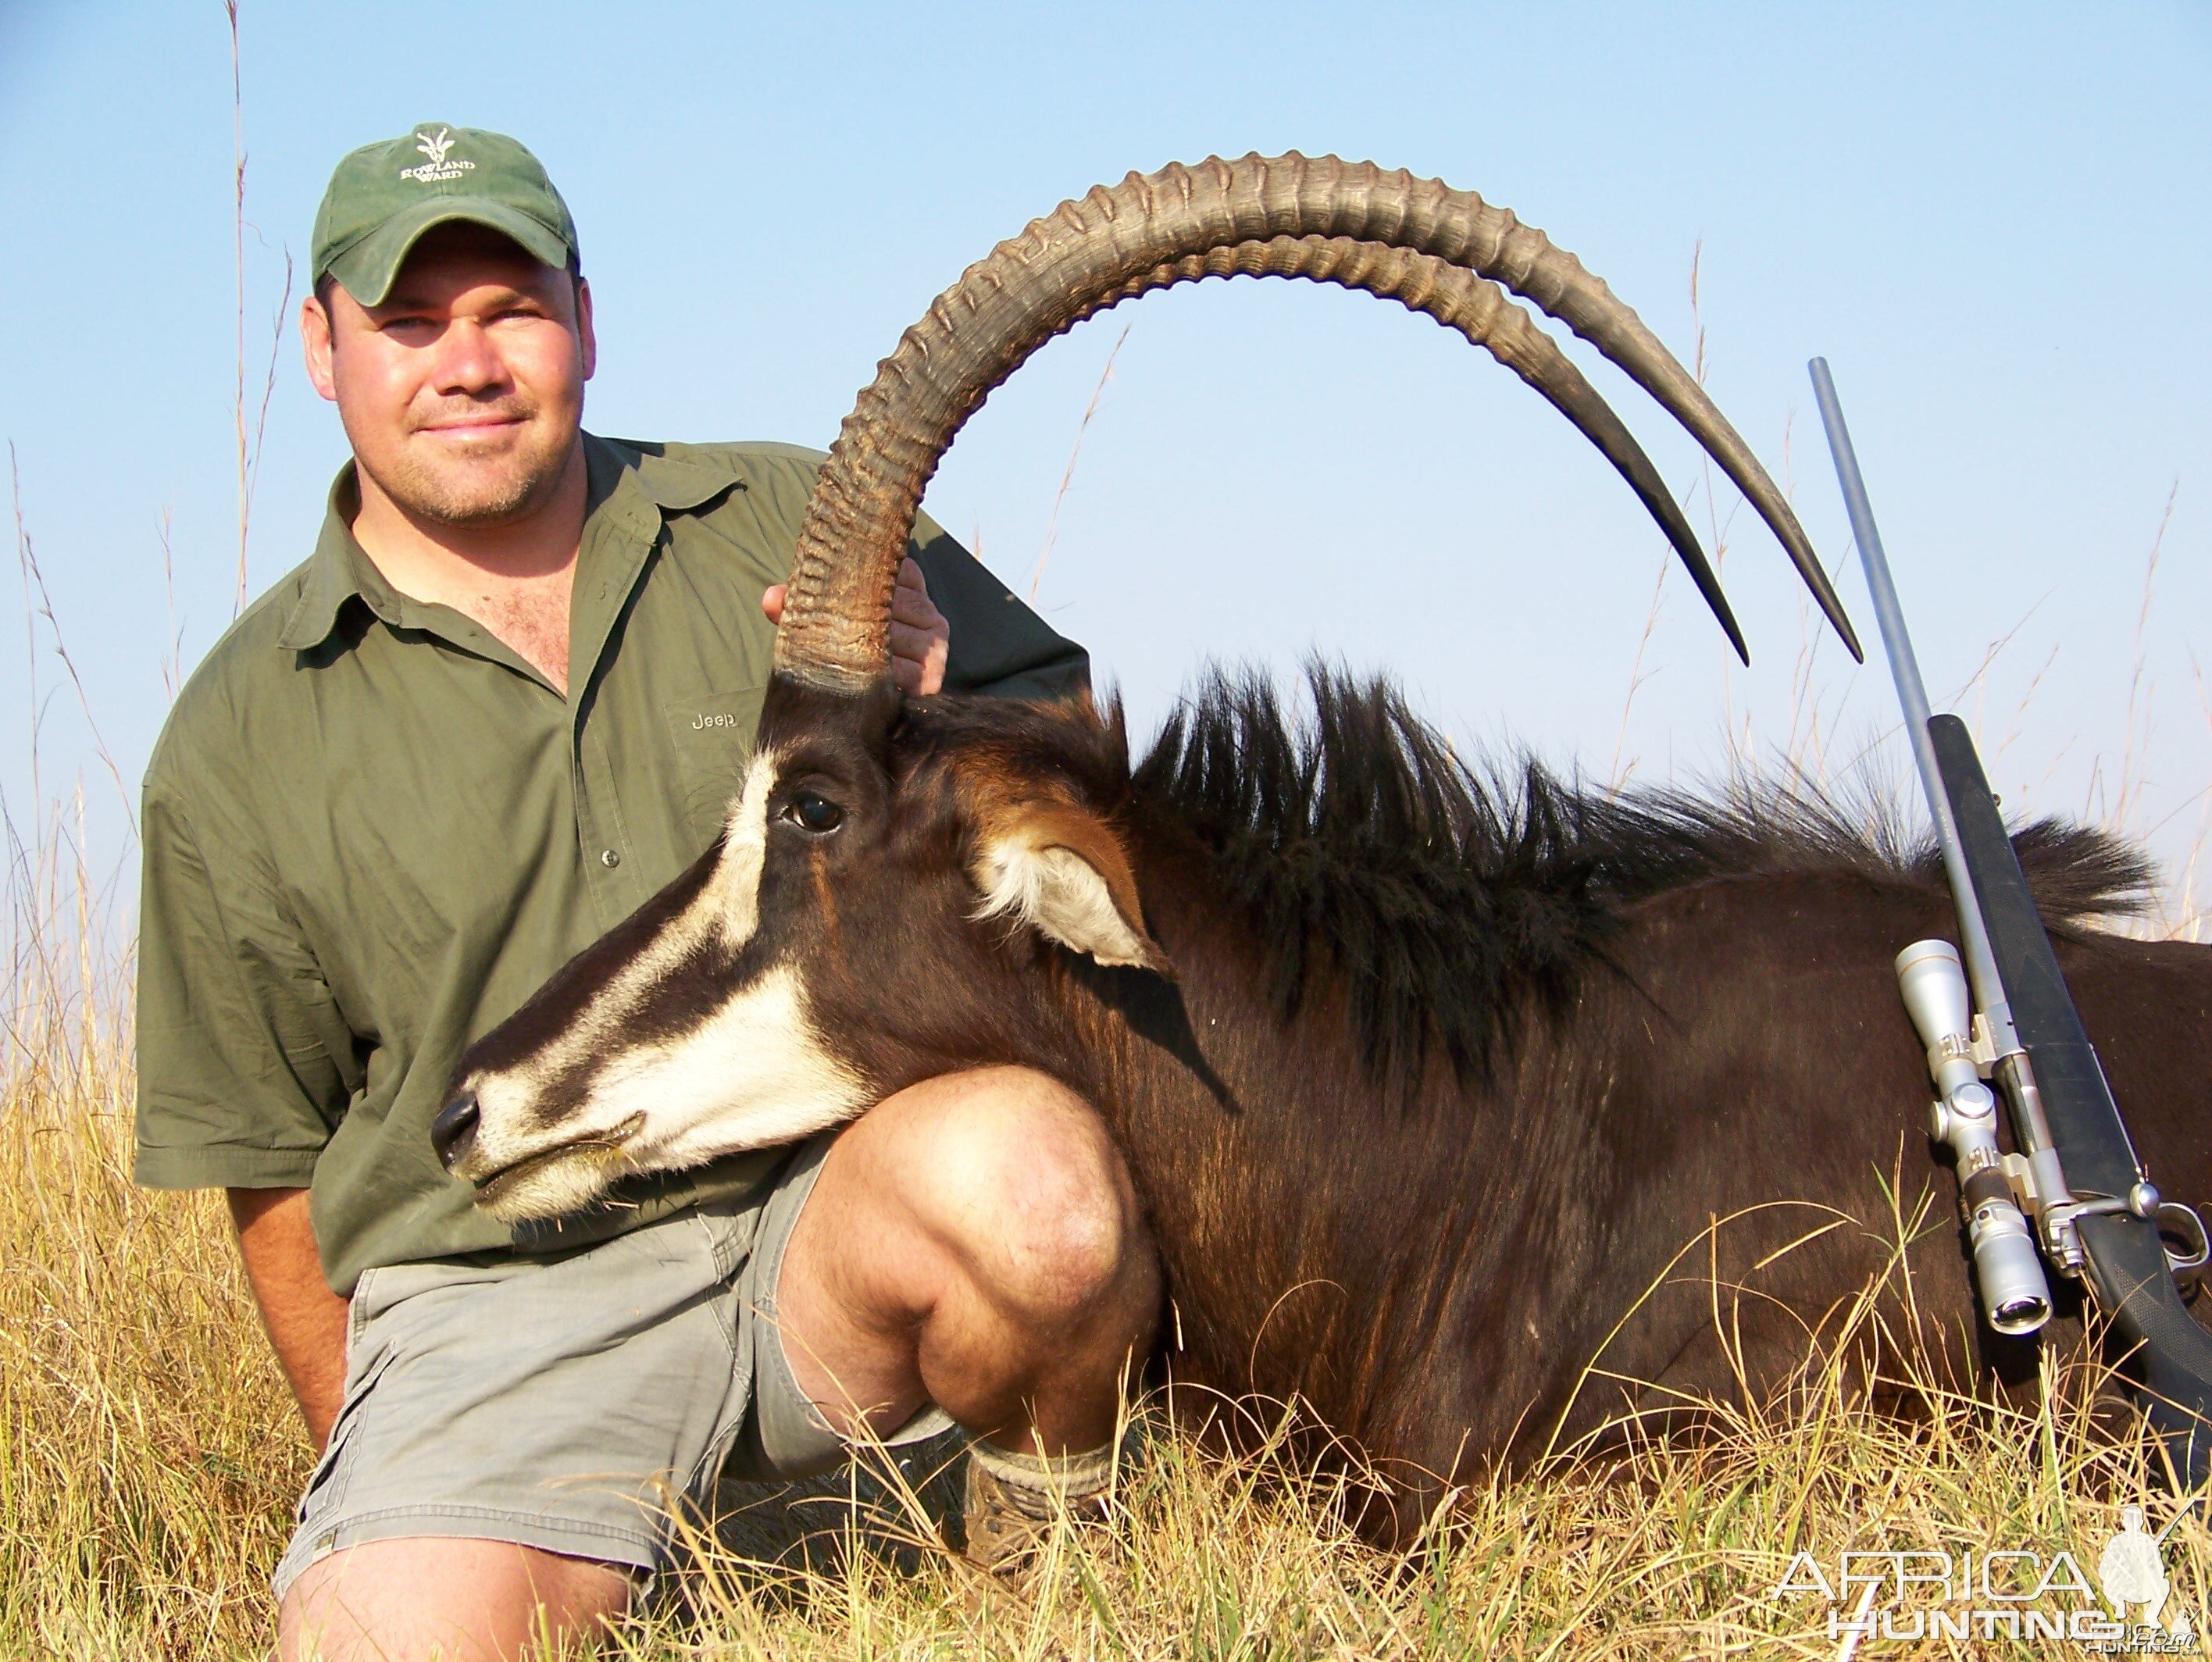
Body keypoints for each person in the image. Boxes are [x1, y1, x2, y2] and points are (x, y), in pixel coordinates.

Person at [134, 123, 1160, 1662]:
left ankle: (1057, 1582)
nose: (467, 363)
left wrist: (940, 701)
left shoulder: (800, 519)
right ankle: (560, 1523)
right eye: (410, 322)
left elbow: (1086, 779)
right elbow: (272, 1173)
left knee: (1045, 1190)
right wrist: (409, 1462)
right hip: (505, 1303)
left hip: (844, 1217)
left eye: (513, 310)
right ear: (319, 345)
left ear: (587, 320)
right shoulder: (234, 733)